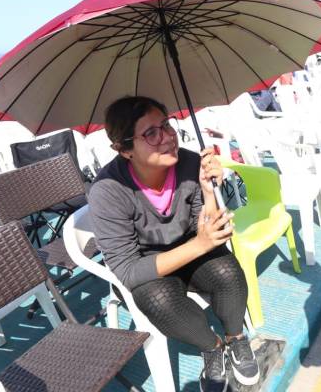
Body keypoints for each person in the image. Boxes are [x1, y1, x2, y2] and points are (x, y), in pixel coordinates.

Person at [88, 96, 260, 392]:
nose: (167, 137)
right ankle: (213, 345)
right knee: (160, 302)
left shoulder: (190, 162)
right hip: (148, 265)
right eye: (151, 133)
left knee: (229, 273)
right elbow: (128, 271)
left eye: (166, 125)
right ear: (123, 149)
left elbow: (206, 226)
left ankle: (235, 338)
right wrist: (200, 245)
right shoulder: (108, 191)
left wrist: (209, 191)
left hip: (191, 243)